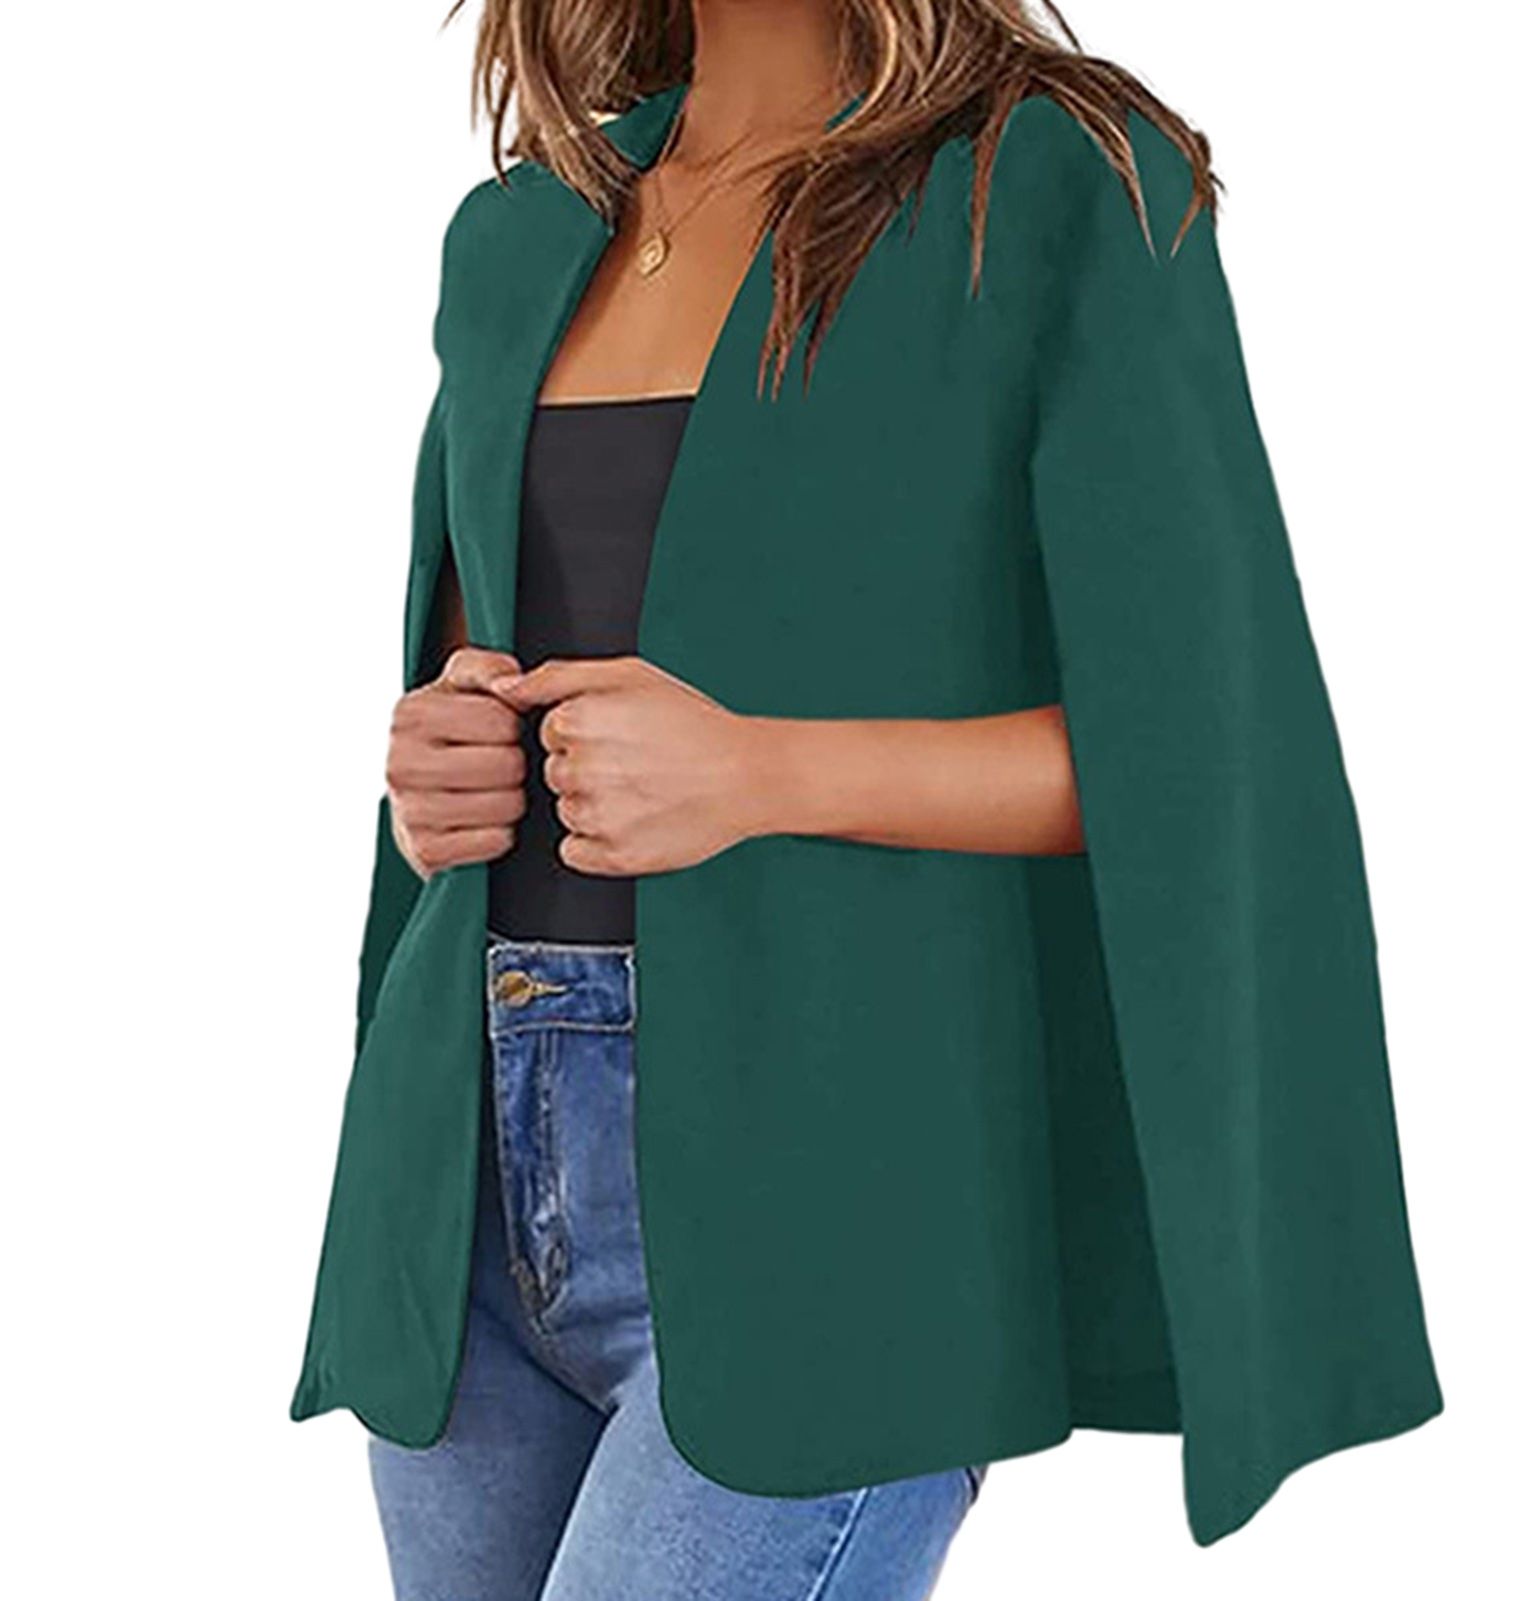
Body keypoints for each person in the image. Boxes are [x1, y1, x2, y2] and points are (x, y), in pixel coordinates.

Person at [292, 0, 1443, 1592]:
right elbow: (477, 661)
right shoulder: (524, 224)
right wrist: (437, 768)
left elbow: (1205, 756)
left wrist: (760, 772)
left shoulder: (1050, 182)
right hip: (467, 1183)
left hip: (838, 1179)